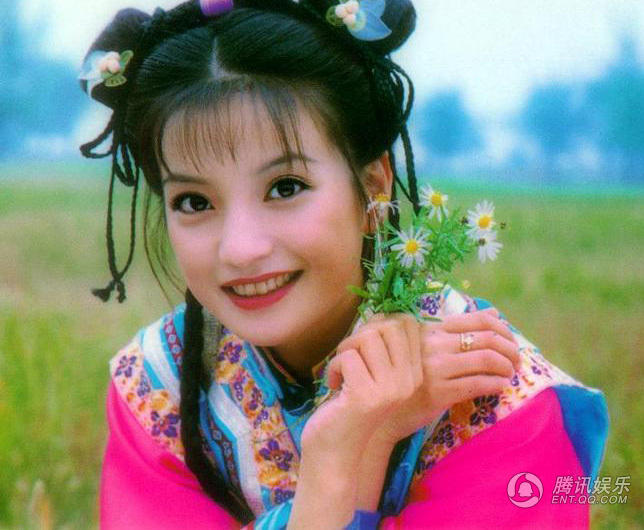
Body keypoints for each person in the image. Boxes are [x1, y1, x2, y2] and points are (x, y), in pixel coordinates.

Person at [79, 1, 609, 528]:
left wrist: (357, 451)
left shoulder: (486, 390)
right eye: (194, 202)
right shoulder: (160, 384)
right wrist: (343, 454)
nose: (239, 249)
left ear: (373, 186)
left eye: (285, 187)